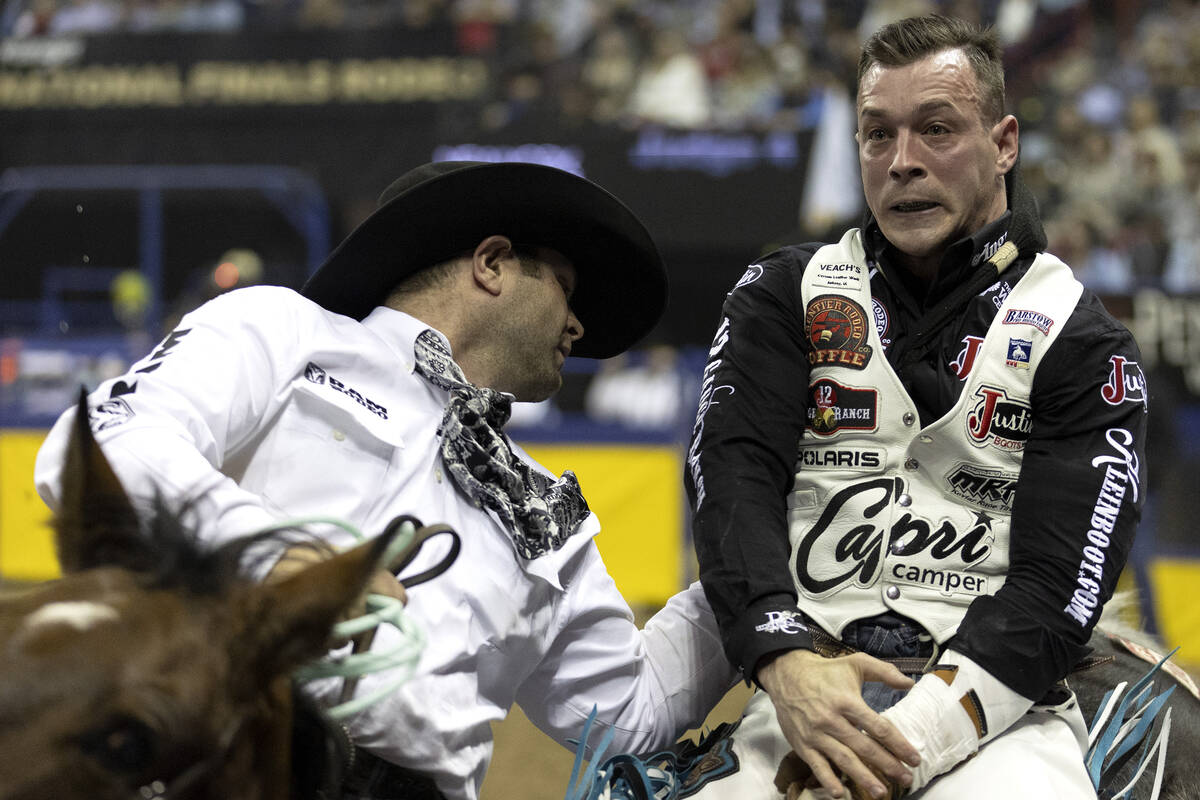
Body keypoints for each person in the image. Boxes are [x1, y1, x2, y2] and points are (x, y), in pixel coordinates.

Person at [34, 160, 738, 800]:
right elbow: (101, 445)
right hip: (217, 762)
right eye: (565, 285)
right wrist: (287, 557)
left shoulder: (545, 510)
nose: (579, 324)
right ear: (491, 263)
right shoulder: (282, 329)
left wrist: (760, 563)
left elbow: (631, 715)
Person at [685, 15, 1147, 800]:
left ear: (1004, 143)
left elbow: (1055, 589)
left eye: (936, 130)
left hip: (998, 719)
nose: (902, 163)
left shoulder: (1085, 341)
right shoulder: (780, 296)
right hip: (808, 693)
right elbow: (733, 484)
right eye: (877, 136)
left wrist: (905, 741)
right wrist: (787, 667)